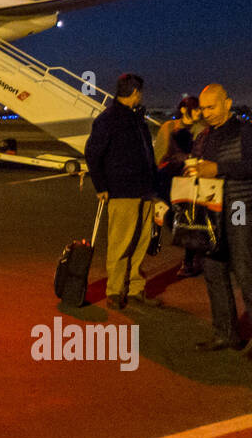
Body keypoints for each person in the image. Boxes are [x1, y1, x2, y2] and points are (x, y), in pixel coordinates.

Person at [187, 84, 252, 360]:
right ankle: (226, 333)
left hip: (241, 208)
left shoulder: (245, 131)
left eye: (211, 107)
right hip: (212, 212)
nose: (206, 113)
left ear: (228, 104)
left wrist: (218, 169)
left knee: (246, 271)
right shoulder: (203, 135)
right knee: (213, 271)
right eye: (202, 108)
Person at [84, 73, 160, 310]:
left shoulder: (135, 117)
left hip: (144, 190)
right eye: (141, 92)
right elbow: (92, 153)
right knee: (121, 243)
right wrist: (101, 186)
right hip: (123, 191)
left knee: (140, 242)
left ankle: (136, 289)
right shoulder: (109, 119)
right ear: (135, 92)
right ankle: (115, 291)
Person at [155, 95, 207, 276]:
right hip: (169, 180)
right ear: (185, 109)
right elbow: (159, 154)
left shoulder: (202, 129)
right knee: (171, 219)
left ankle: (189, 260)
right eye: (197, 108)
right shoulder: (169, 127)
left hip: (191, 181)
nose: (200, 112)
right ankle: (193, 252)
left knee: (190, 220)